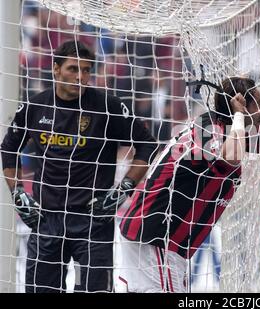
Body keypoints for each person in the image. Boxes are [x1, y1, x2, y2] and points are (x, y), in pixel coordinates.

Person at [0, 40, 158, 292]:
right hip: (45, 221)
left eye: (86, 70)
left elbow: (148, 145)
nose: (81, 77)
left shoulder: (108, 107)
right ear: (55, 69)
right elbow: (9, 148)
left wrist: (124, 188)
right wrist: (18, 192)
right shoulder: (35, 106)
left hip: (93, 222)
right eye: (73, 69)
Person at [117, 76, 260, 292]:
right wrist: (240, 113)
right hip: (155, 237)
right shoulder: (209, 129)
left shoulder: (226, 131)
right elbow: (232, 156)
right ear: (241, 106)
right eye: (257, 101)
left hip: (156, 238)